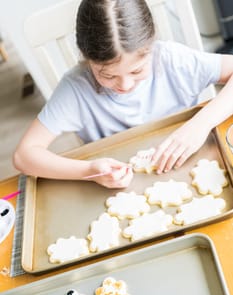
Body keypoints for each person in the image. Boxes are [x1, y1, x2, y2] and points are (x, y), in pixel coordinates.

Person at [13, 0, 233, 189]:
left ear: (151, 46)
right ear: (86, 57)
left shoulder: (172, 60)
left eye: (137, 70)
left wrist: (200, 125)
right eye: (107, 75)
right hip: (125, 187)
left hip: (202, 166)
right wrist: (88, 170)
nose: (125, 85)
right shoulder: (76, 89)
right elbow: (24, 155)